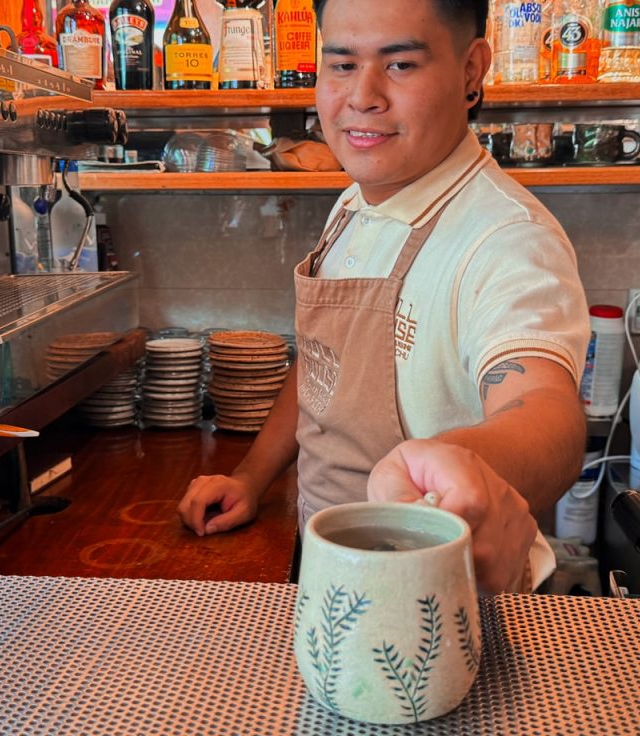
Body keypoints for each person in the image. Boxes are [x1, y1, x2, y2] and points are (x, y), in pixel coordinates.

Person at [179, 0, 590, 593]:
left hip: (443, 598)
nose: (363, 96)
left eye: (399, 65)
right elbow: (324, 363)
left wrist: (455, 463)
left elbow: (548, 414)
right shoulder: (354, 202)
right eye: (341, 65)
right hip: (331, 566)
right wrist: (250, 477)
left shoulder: (507, 241)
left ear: (472, 70)